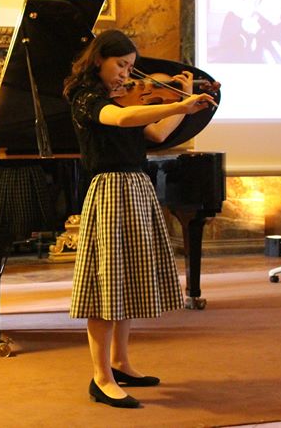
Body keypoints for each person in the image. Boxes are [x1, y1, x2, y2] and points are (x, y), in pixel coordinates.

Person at [63, 30, 216, 408]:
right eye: (121, 66)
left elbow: (155, 131)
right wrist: (175, 105)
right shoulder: (87, 99)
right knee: (106, 287)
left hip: (136, 188)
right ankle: (101, 378)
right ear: (99, 60)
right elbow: (122, 118)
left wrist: (184, 106)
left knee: (125, 281)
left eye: (132, 67)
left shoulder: (125, 95)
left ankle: (121, 362)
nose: (128, 75)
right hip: (110, 191)